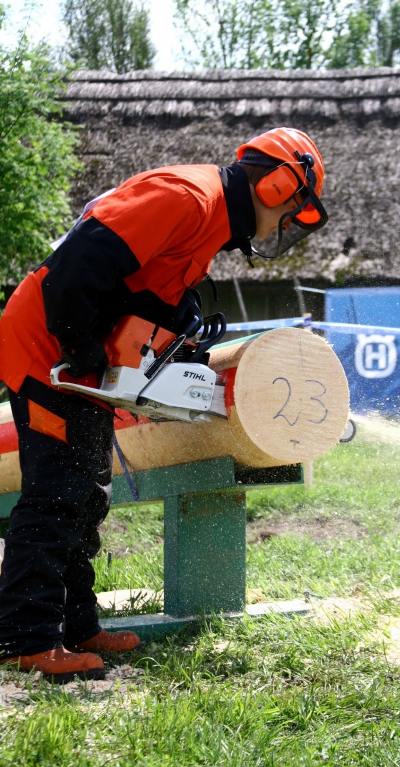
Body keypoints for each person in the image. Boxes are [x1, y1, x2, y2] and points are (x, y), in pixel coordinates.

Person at [0, 127, 328, 682]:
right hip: (46, 351)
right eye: (291, 209)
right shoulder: (186, 197)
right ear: (276, 185)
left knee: (86, 495)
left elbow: (144, 296)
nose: (285, 223)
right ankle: (25, 638)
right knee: (56, 493)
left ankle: (76, 626)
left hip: (85, 363)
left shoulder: (211, 226)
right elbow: (79, 265)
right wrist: (81, 350)